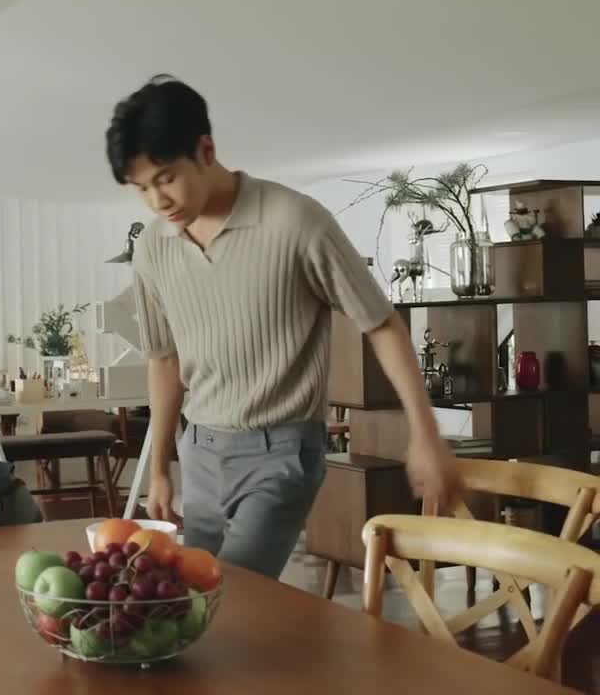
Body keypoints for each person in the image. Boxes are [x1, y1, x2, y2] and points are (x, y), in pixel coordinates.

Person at [106, 75, 461, 579]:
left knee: (231, 590)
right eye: (142, 188)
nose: (157, 200)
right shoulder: (153, 247)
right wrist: (160, 467)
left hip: (281, 452)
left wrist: (425, 435)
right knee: (192, 596)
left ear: (206, 150)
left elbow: (382, 324)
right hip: (199, 449)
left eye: (166, 178)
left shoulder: (295, 222)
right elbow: (164, 358)